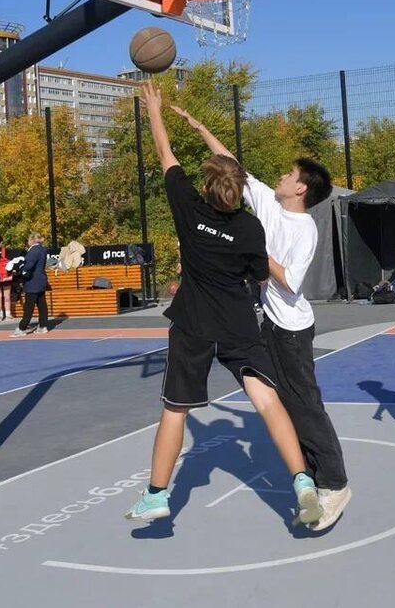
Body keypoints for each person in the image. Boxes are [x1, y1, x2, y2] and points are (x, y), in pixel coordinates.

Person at [124, 81, 322, 528]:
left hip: (193, 323)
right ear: (237, 191)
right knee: (267, 400)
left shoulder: (188, 208)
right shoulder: (252, 229)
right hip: (238, 324)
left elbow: (165, 154)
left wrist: (153, 109)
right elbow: (257, 275)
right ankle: (303, 482)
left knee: (176, 410)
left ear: (207, 186)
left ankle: (156, 496)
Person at [173, 103, 351, 531]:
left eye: (289, 174)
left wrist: (253, 250)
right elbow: (232, 165)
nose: (281, 177)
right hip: (269, 324)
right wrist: (199, 125)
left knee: (304, 405)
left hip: (292, 329)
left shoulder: (304, 230)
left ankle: (335, 483)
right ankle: (310, 480)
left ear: (301, 188)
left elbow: (290, 282)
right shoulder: (268, 203)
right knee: (283, 403)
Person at [11, 233, 50, 336]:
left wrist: (20, 268)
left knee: (29, 306)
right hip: (41, 279)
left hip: (32, 281)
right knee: (42, 304)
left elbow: (29, 265)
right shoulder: (42, 249)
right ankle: (43, 326)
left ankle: (22, 328)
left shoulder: (33, 250)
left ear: (31, 240)